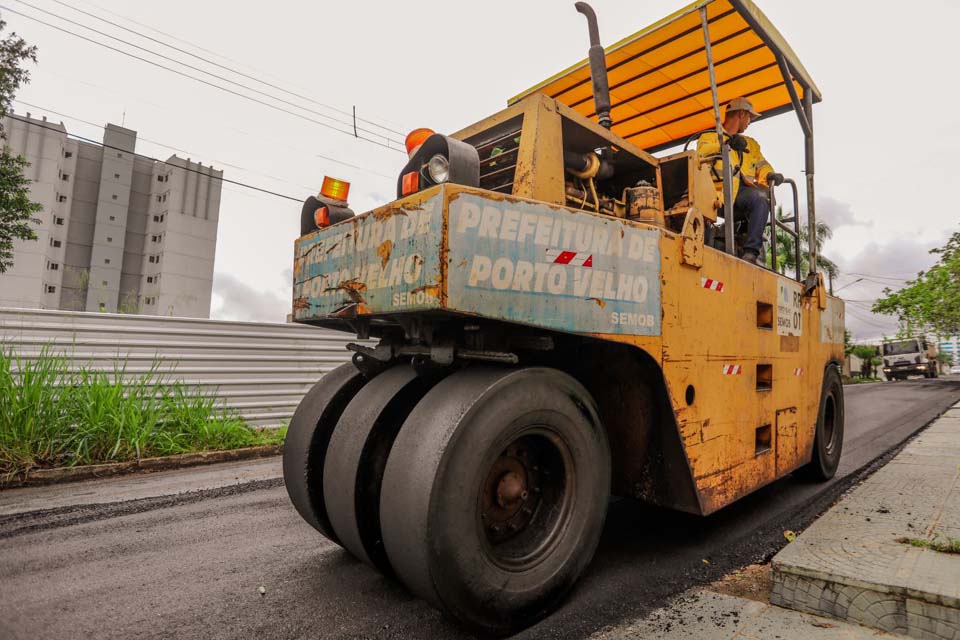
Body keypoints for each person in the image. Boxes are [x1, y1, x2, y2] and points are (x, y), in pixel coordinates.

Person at [697, 97, 784, 265]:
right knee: (701, 211)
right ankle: (704, 251)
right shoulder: (710, 137)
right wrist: (726, 143)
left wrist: (771, 175)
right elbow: (702, 154)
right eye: (749, 117)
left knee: (760, 199)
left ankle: (751, 252)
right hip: (716, 195)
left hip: (740, 196)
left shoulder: (751, 144)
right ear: (741, 113)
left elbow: (761, 165)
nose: (749, 122)